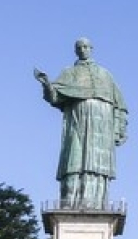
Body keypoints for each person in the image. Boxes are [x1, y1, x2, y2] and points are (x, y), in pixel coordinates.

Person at [34, 37, 128, 207]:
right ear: (76, 51)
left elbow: (120, 105)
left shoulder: (105, 75)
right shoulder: (69, 73)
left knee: (98, 166)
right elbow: (55, 96)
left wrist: (118, 129)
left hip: (102, 127)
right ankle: (71, 202)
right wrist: (47, 84)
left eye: (86, 46)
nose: (83, 49)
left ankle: (96, 203)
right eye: (79, 47)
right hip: (77, 123)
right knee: (74, 160)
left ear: (91, 48)